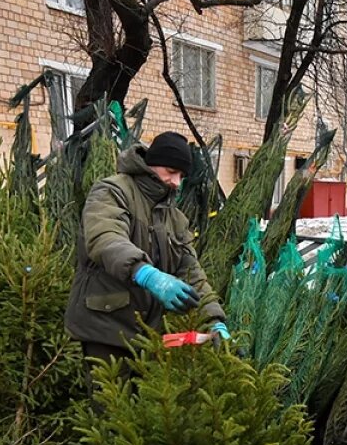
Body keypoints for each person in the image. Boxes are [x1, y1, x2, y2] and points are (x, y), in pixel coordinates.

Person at [65, 131, 228, 387]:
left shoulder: (174, 218)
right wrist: (146, 273)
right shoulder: (112, 191)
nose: (175, 182)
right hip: (107, 326)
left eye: (182, 176)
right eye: (171, 171)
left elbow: (190, 270)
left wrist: (214, 319)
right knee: (110, 411)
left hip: (149, 332)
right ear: (151, 163)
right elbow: (105, 237)